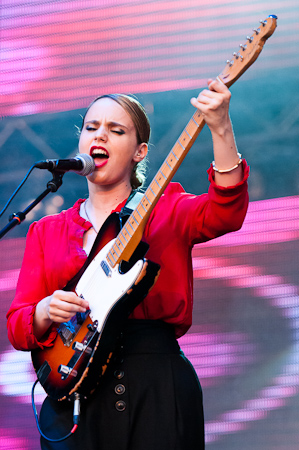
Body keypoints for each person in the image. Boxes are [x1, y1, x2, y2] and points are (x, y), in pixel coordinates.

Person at [6, 78, 249, 450]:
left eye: (116, 130)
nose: (99, 135)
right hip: (73, 392)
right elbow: (18, 324)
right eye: (91, 127)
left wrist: (220, 127)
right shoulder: (46, 230)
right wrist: (43, 310)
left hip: (154, 383)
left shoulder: (165, 205)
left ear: (139, 151)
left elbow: (225, 212)